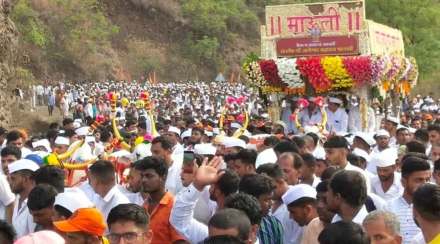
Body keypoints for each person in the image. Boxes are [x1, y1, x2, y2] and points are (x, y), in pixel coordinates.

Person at [135, 156, 186, 244]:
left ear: (163, 177)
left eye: (149, 176)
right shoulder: (143, 205)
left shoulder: (174, 206)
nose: (143, 180)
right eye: (142, 176)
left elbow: (181, 241)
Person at [385, 156, 431, 244]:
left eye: (427, 180)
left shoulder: (435, 207)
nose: (425, 184)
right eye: (419, 180)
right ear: (403, 182)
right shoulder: (389, 207)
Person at [256, 163, 303, 244]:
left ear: (280, 181)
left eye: (269, 185)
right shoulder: (269, 201)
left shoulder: (298, 201)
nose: (266, 189)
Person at [239, 174, 284, 244]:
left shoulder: (274, 225)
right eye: (266, 200)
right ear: (251, 199)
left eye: (271, 199)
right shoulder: (232, 225)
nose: (271, 203)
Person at [8, 159, 39, 237]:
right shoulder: (18, 198)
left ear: (26, 179)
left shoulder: (36, 205)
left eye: (13, 179)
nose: (10, 183)